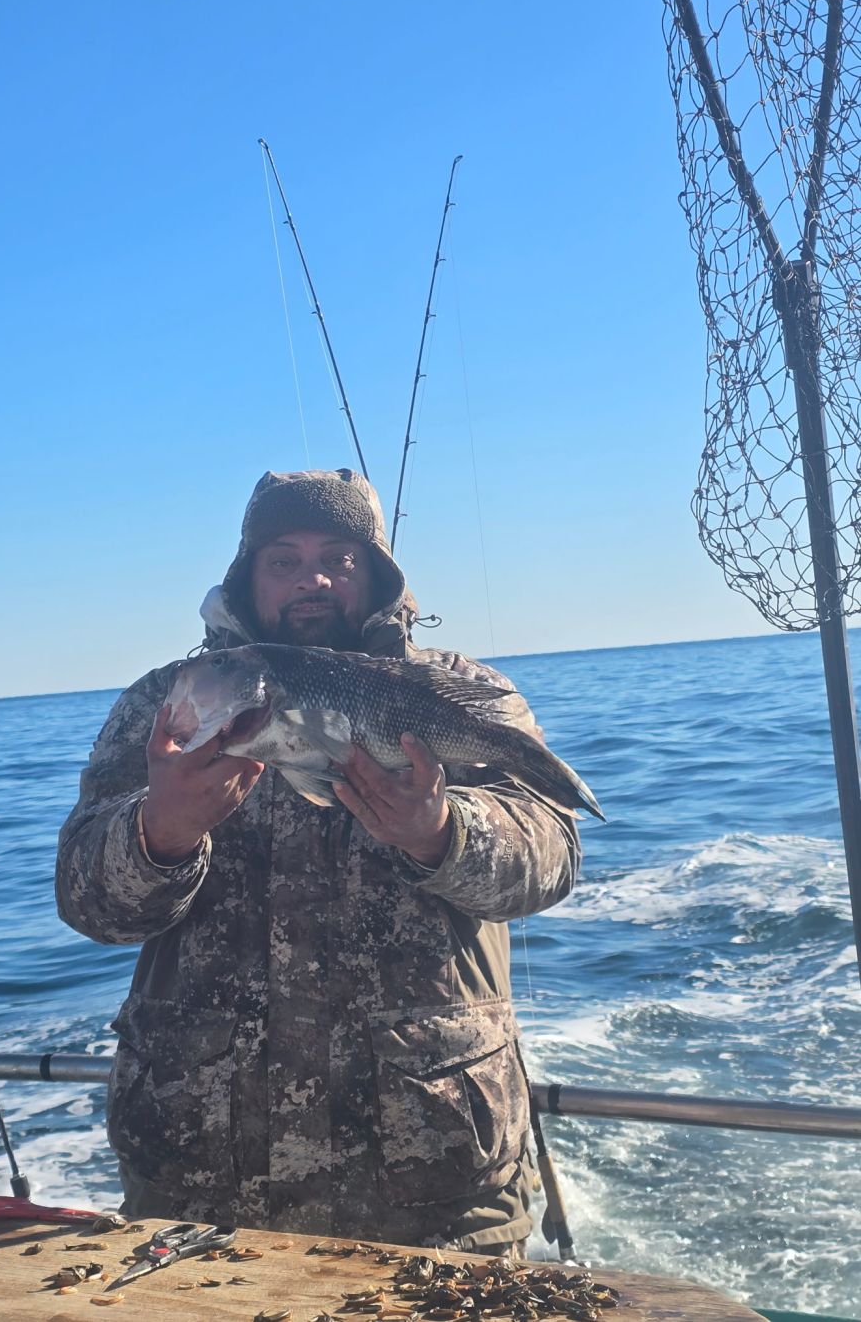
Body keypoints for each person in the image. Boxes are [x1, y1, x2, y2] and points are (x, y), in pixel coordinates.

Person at [56, 468, 582, 1253]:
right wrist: (157, 833)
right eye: (284, 559)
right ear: (247, 574)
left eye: (339, 556)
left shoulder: (461, 695)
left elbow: (553, 856)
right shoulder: (171, 700)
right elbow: (83, 896)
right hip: (199, 1188)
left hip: (437, 1192)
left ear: (375, 573)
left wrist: (444, 832)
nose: (314, 578)